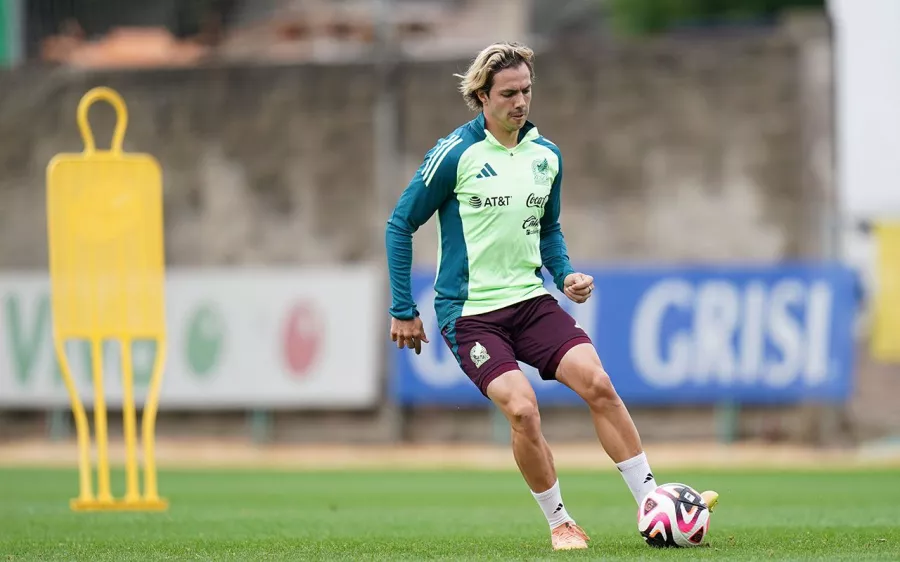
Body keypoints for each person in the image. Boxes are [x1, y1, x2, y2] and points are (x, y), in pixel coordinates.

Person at [384, 42, 718, 551]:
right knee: (523, 410)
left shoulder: (546, 156)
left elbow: (549, 230)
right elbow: (399, 223)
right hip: (471, 315)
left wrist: (564, 275)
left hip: (530, 302)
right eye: (508, 93)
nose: (520, 102)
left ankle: (652, 501)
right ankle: (561, 521)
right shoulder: (455, 153)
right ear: (481, 96)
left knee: (598, 382)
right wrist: (403, 308)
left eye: (527, 91)